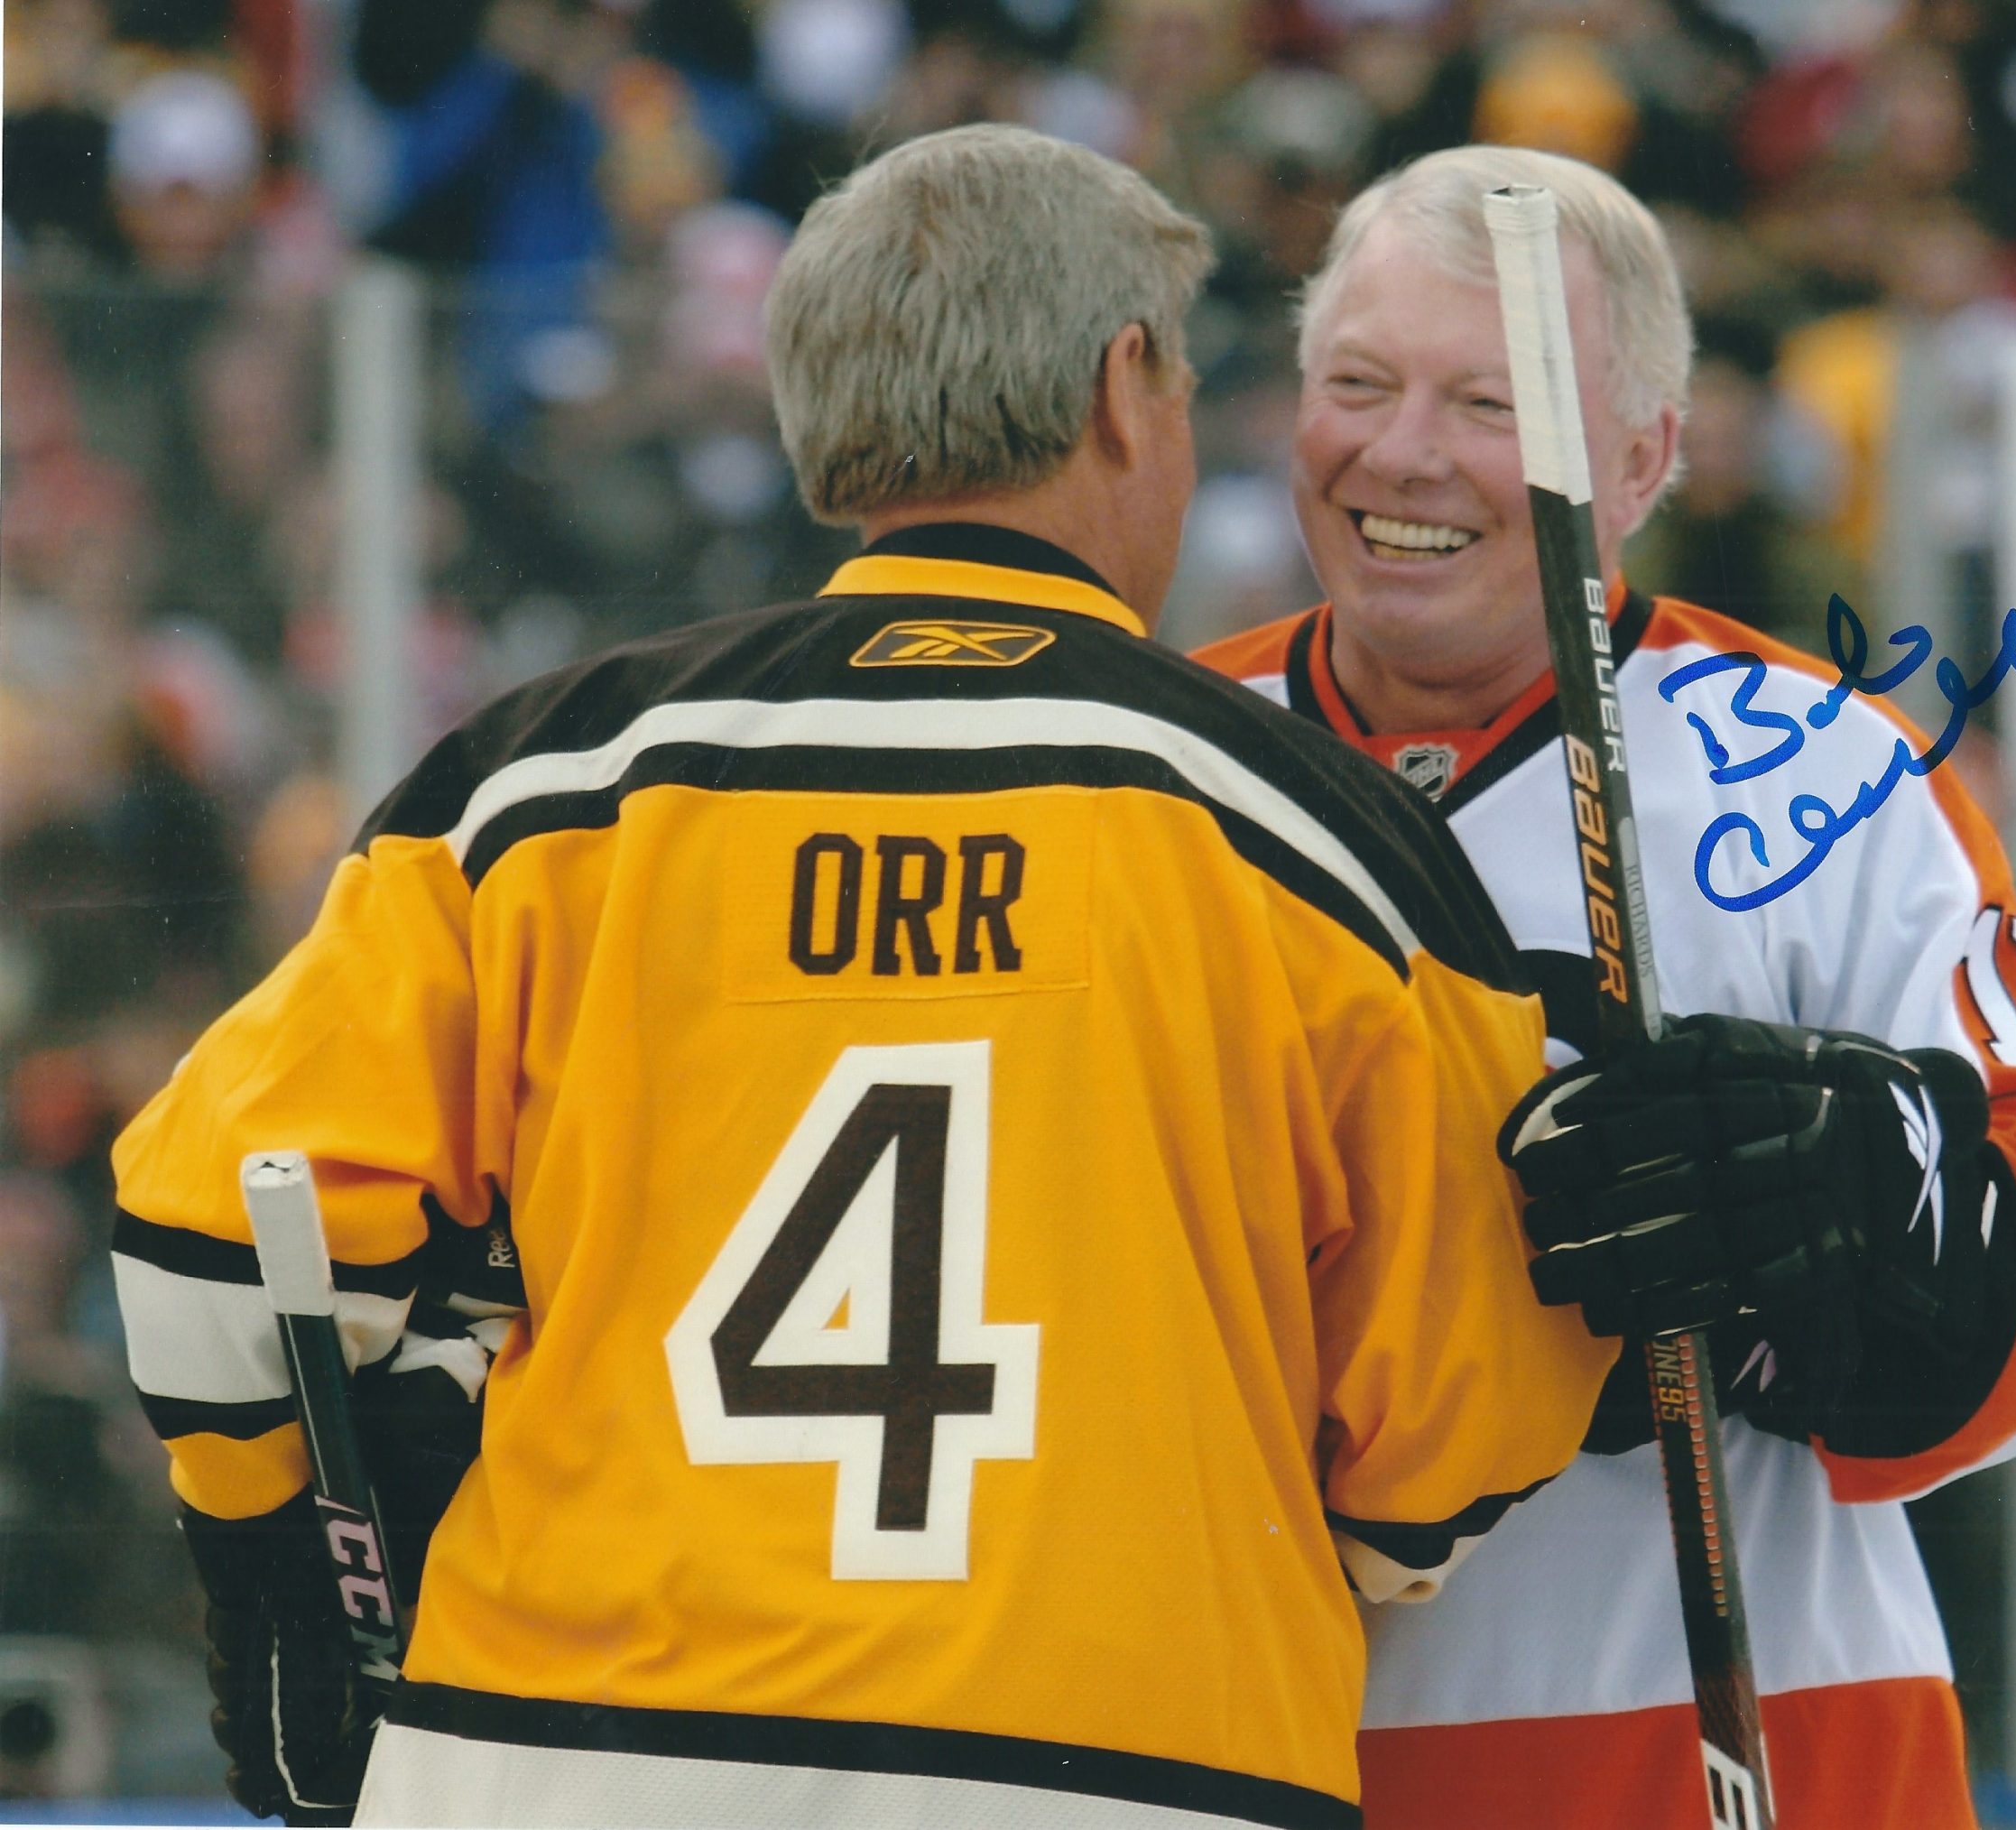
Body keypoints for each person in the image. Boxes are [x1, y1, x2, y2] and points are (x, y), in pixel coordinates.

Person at [108, 125, 1616, 1829]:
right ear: (1127, 387)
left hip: (552, 1761)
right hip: (1122, 1771)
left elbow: (215, 1237)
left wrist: (283, 1571)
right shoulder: (1324, 853)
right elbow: (1456, 1440)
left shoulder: (543, 789)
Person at [1196, 144, 2016, 1830]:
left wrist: (1882, 1209)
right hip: (1247, 1750)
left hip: (1748, 1750)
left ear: (1643, 457)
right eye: (1358, 384)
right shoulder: (1159, 769)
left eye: (1494, 405)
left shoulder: (1817, 767)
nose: (1401, 453)